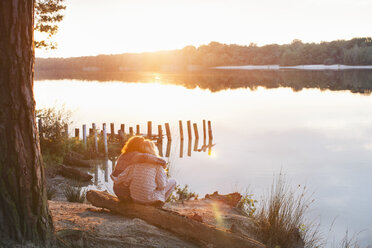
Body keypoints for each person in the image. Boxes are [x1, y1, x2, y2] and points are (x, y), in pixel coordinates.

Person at [111, 136, 176, 205]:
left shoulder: (123, 155)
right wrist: (163, 164)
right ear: (139, 145)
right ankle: (159, 202)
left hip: (117, 189)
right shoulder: (137, 156)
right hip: (126, 192)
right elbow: (151, 157)